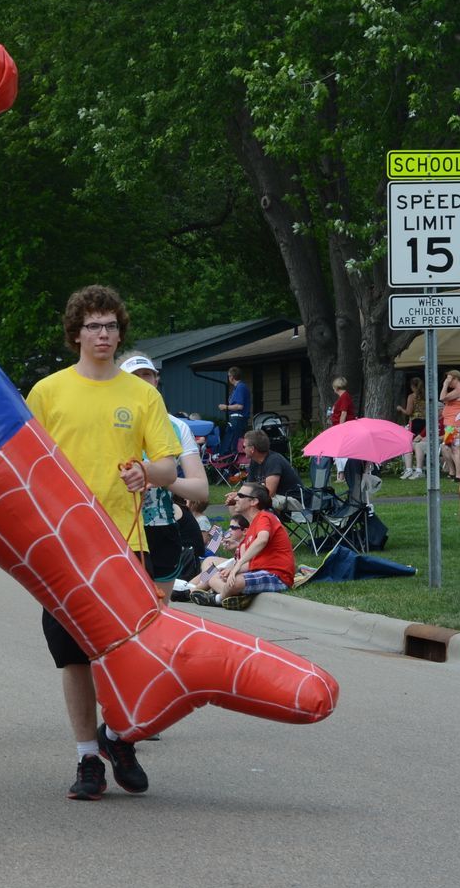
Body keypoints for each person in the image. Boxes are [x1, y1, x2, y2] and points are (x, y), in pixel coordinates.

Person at [24, 286, 178, 801]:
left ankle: (120, 735)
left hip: (125, 541)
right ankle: (88, 756)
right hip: (63, 544)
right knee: (73, 657)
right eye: (94, 325)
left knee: (125, 653)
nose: (104, 334)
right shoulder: (47, 392)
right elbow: (27, 466)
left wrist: (145, 471)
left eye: (111, 325)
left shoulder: (142, 395)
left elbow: (168, 465)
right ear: (76, 334)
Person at [122, 355, 210, 580]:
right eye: (134, 377)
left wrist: (162, 476)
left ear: (156, 380)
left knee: (157, 610)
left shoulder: (178, 427)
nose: (141, 381)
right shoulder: (109, 421)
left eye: (146, 375)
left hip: (161, 527)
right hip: (120, 525)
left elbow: (201, 490)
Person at [189, 483, 295, 609]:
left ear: (254, 501)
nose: (236, 498)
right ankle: (197, 589)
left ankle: (216, 598)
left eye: (240, 495)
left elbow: (262, 540)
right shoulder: (253, 525)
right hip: (257, 569)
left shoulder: (265, 517)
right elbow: (251, 561)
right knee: (212, 571)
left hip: (277, 575)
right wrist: (234, 566)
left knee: (229, 580)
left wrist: (236, 566)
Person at [243, 428, 303, 515]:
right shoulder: (254, 461)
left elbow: (269, 493)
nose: (243, 449)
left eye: (244, 446)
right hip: (276, 499)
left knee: (251, 504)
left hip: (292, 500)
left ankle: (260, 528)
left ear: (252, 449)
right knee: (237, 503)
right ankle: (237, 528)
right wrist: (238, 495)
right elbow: (250, 487)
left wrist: (245, 498)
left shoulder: (273, 460)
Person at [438, 370, 460, 478]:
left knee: (455, 448)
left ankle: (459, 475)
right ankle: (453, 473)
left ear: (455, 379)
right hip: (451, 424)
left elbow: (442, 397)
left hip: (456, 424)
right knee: (447, 447)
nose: (447, 381)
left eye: (449, 379)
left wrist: (445, 384)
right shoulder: (458, 390)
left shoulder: (459, 390)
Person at [398, 376, 427, 479]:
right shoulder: (426, 396)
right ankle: (417, 469)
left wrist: (401, 409)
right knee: (416, 444)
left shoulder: (412, 396)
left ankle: (409, 469)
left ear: (412, 386)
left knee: (409, 445)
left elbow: (409, 412)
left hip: (415, 422)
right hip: (425, 423)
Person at [220, 365, 251, 457]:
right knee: (232, 444)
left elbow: (240, 406)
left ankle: (233, 467)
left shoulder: (241, 387)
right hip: (236, 419)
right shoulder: (238, 388)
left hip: (237, 419)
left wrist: (226, 407)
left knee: (233, 445)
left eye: (229, 376)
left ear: (232, 377)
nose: (228, 378)